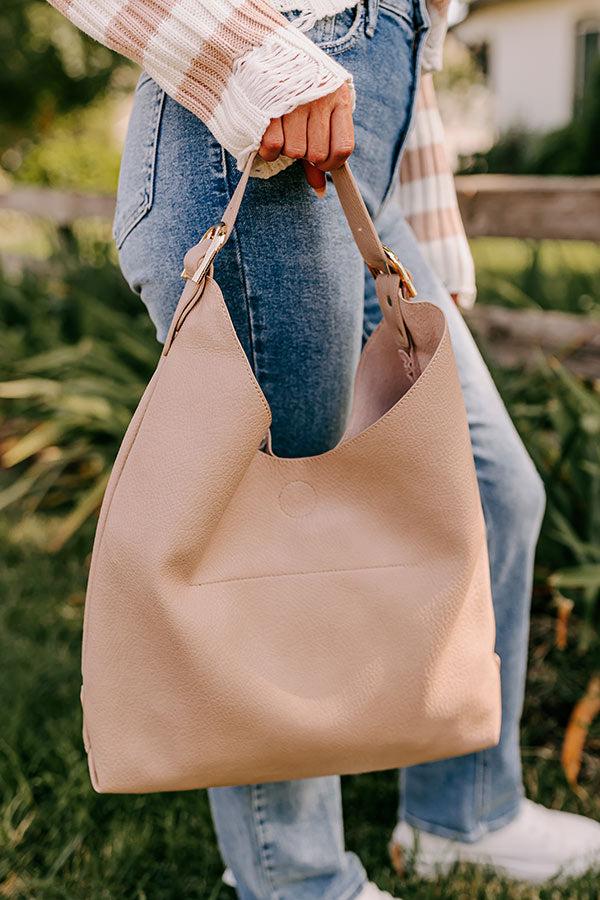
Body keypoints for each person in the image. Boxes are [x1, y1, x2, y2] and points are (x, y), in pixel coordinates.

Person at [46, 0, 600, 894]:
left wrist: (436, 259)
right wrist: (253, 57)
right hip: (254, 129)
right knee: (267, 548)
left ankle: (462, 815)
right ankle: (293, 877)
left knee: (494, 492)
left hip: (359, 158)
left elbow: (407, 55)